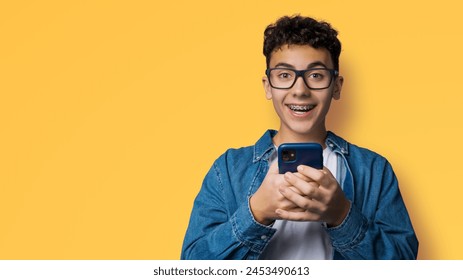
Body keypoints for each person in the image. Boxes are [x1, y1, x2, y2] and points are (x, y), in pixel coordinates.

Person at [181, 15, 418, 260]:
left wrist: (342, 215)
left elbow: (405, 263)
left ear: (336, 86)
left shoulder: (373, 170)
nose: (300, 90)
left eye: (316, 75)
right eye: (284, 75)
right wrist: (255, 212)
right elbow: (192, 265)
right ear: (267, 86)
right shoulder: (229, 169)